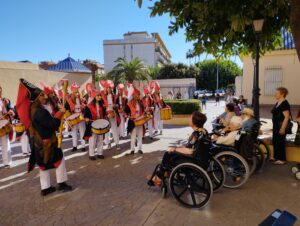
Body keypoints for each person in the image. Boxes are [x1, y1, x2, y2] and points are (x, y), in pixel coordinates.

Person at [16, 79, 72, 196]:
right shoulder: (39, 112)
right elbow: (52, 124)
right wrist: (60, 113)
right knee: (60, 160)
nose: (45, 97)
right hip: (46, 142)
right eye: (42, 95)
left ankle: (45, 188)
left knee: (43, 166)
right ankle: (61, 183)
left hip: (40, 142)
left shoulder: (35, 108)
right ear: (36, 98)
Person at [147, 111, 208, 185]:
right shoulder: (203, 131)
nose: (189, 119)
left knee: (168, 154)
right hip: (202, 160)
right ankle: (164, 173)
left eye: (190, 118)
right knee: (171, 153)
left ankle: (159, 177)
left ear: (194, 122)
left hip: (195, 161)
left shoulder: (196, 134)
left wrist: (175, 149)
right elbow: (193, 147)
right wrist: (179, 148)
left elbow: (190, 151)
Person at [83, 89, 107, 160]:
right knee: (93, 139)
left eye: (100, 95)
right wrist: (86, 118)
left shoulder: (101, 104)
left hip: (100, 123)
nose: (100, 97)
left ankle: (100, 153)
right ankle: (91, 154)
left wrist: (106, 116)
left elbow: (104, 113)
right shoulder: (88, 106)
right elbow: (86, 116)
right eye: (98, 95)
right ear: (94, 96)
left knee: (100, 139)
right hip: (92, 124)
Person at [271, 87, 291, 165]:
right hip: (276, 125)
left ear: (282, 94)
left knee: (280, 142)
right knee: (275, 140)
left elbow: (286, 117)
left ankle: (282, 159)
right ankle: (276, 157)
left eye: (277, 93)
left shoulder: (285, 103)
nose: (275, 94)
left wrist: (283, 128)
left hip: (281, 125)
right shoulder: (278, 102)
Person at [66, 82, 86, 152]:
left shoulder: (80, 97)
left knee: (82, 132)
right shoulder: (70, 99)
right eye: (75, 89)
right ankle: (74, 146)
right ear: (72, 90)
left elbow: (83, 106)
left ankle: (83, 146)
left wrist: (83, 105)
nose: (76, 91)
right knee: (74, 132)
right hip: (74, 117)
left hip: (81, 116)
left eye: (77, 89)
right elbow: (71, 107)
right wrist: (79, 106)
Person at [101, 80, 121, 150]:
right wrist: (104, 106)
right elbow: (101, 106)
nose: (109, 89)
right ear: (105, 88)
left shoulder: (115, 96)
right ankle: (108, 143)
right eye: (107, 88)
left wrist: (116, 105)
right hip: (106, 114)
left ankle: (117, 144)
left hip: (113, 113)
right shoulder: (102, 97)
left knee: (114, 129)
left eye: (110, 88)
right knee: (106, 130)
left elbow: (119, 105)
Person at [125, 88, 144, 155]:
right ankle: (132, 149)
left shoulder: (140, 103)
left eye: (139, 95)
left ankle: (140, 149)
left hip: (140, 121)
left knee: (140, 136)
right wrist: (128, 116)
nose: (138, 96)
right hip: (133, 122)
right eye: (137, 95)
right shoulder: (129, 104)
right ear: (134, 95)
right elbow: (126, 112)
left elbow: (143, 111)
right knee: (133, 136)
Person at [0, 85, 14, 168]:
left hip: (4, 124)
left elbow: (11, 109)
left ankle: (7, 162)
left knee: (5, 143)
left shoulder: (4, 100)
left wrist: (11, 111)